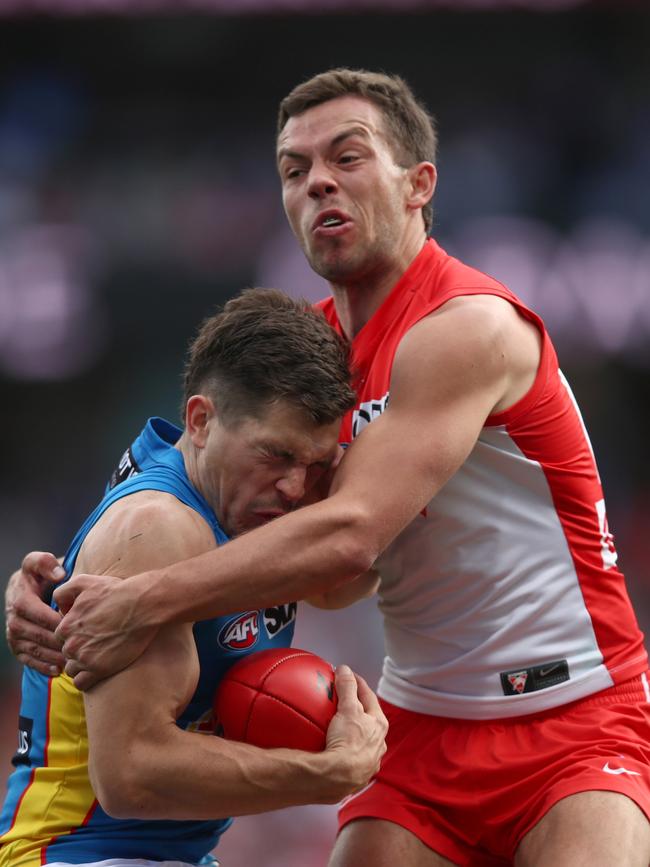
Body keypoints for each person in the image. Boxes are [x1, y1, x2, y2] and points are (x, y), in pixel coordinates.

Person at [6, 68, 650, 867]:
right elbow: (177, 483)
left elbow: (348, 543)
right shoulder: (306, 363)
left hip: (573, 713)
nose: (318, 184)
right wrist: (50, 585)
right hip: (420, 725)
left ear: (419, 185)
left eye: (347, 157)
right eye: (294, 169)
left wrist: (138, 600)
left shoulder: (467, 328)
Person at [0, 288, 388, 867]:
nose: (294, 486)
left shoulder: (246, 498)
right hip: (78, 854)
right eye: (277, 455)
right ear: (201, 421)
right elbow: (131, 775)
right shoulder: (159, 528)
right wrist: (323, 775)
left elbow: (342, 578)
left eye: (316, 464)